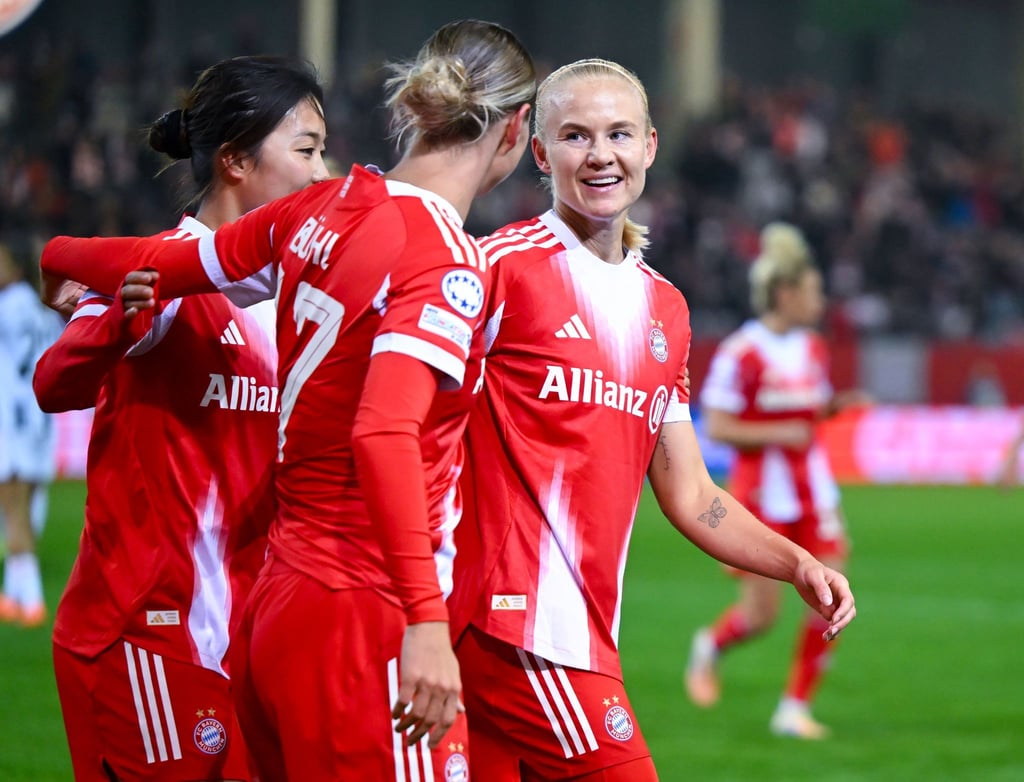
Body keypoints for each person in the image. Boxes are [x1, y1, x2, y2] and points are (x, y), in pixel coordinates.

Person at [39, 19, 536, 780]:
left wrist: (57, 256)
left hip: (272, 609)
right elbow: (383, 433)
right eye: (302, 147)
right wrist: (427, 621)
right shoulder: (444, 261)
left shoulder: (317, 218)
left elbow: (151, 260)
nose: (314, 164)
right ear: (515, 131)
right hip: (344, 610)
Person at [445, 59, 856, 780]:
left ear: (650, 147)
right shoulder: (496, 271)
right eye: (575, 135)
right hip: (512, 625)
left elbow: (693, 497)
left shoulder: (664, 308)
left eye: (618, 134)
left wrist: (797, 564)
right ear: (540, 152)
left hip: (580, 627)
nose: (600, 154)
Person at [33, 55, 329, 781]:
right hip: (149, 635)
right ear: (233, 160)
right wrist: (116, 326)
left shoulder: (297, 294)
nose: (322, 174)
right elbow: (53, 384)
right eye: (306, 150)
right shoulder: (160, 271)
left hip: (248, 637)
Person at [684, 222, 868, 739]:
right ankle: (710, 645)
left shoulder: (813, 349)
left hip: (815, 491)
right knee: (762, 616)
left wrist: (834, 408)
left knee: (832, 597)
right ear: (785, 293)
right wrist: (777, 431)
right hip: (763, 496)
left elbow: (807, 416)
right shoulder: (742, 352)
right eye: (813, 291)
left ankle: (793, 707)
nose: (821, 300)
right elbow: (716, 427)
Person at [0, 232, 60, 627]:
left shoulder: (7, 306)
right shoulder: (45, 312)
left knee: (14, 514)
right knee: (26, 511)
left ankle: (32, 600)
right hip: (39, 424)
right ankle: (11, 594)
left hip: (10, 424)